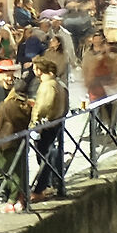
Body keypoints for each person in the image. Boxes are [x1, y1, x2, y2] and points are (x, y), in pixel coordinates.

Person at [28, 57, 68, 202]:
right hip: (55, 122)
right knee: (47, 154)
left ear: (39, 70)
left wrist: (35, 122)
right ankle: (52, 183)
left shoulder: (46, 86)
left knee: (44, 156)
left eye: (34, 69)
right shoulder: (58, 84)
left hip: (46, 125)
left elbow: (43, 106)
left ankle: (41, 188)